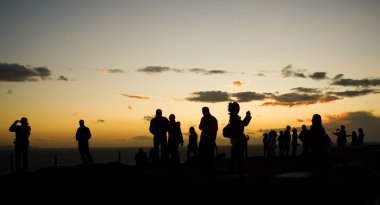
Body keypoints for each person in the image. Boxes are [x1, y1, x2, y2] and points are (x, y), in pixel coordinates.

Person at [227, 101, 251, 173]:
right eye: (238, 108)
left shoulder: (233, 117)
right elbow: (243, 124)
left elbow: (242, 124)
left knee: (235, 156)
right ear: (236, 109)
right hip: (237, 140)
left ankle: (234, 170)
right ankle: (238, 171)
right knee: (239, 157)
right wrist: (247, 116)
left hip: (235, 140)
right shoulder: (235, 117)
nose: (239, 109)